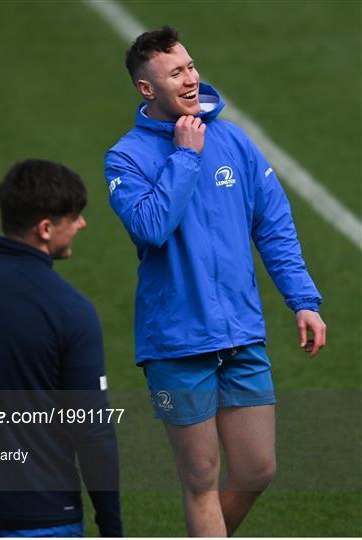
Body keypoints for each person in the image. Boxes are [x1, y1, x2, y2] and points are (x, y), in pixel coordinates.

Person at [105, 26, 326, 537]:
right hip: (177, 343)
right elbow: (151, 227)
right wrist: (185, 156)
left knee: (256, 469)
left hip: (241, 334)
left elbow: (273, 226)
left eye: (190, 66)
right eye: (176, 72)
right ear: (146, 89)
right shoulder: (126, 158)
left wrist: (303, 300)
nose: (191, 78)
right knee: (201, 480)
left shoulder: (235, 140)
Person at [0, 159, 123, 537]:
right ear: (45, 228)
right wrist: (111, 526)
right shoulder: (70, 311)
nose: (82, 224)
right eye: (74, 216)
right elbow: (93, 432)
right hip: (41, 516)